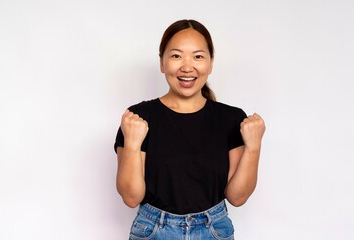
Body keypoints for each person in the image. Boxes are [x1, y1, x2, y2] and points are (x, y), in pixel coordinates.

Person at [114, 19, 266, 240]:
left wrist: (254, 147)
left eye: (198, 56)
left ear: (211, 63)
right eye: (176, 55)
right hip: (153, 231)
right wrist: (133, 144)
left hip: (214, 230)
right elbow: (131, 197)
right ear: (162, 62)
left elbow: (237, 197)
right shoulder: (138, 118)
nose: (187, 66)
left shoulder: (231, 119)